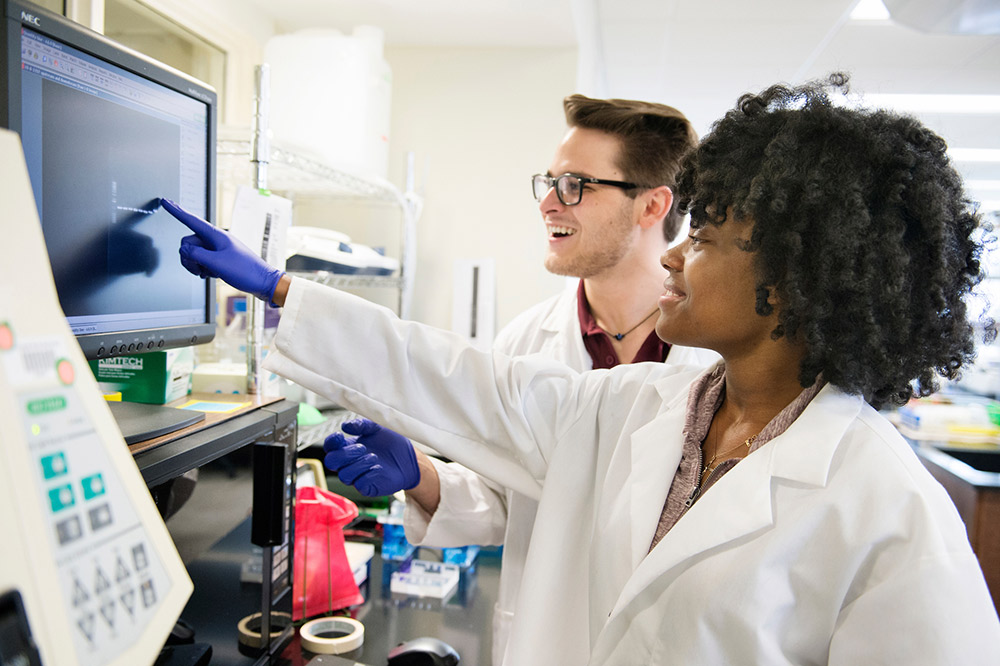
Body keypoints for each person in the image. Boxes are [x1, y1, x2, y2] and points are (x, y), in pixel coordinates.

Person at [162, 73, 1000, 665]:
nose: (677, 259)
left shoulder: (894, 513)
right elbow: (468, 381)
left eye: (703, 239)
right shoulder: (641, 405)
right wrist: (279, 288)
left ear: (791, 280)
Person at [324, 93, 718, 666]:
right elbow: (503, 501)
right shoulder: (526, 342)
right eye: (550, 182)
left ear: (652, 205)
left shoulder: (713, 358)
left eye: (576, 186)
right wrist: (423, 476)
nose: (548, 205)